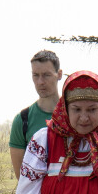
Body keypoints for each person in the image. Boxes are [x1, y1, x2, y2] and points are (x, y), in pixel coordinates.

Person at [10, 50, 63, 178]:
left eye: (46, 75)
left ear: (59, 74)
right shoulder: (22, 120)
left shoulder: (76, 115)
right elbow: (22, 179)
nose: (40, 82)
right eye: (35, 75)